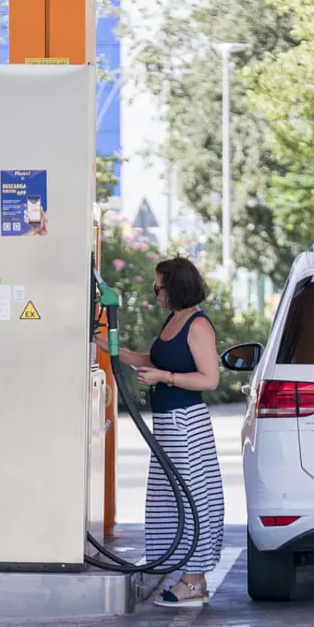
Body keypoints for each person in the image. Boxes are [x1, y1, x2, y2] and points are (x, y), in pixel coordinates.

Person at [97, 257, 224, 607]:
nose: (156, 293)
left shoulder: (197, 325)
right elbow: (157, 360)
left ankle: (194, 580)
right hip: (168, 424)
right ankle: (183, 570)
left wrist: (164, 378)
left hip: (186, 423)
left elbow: (209, 378)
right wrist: (116, 351)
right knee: (169, 501)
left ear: (176, 287)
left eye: (159, 286)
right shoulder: (175, 320)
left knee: (191, 495)